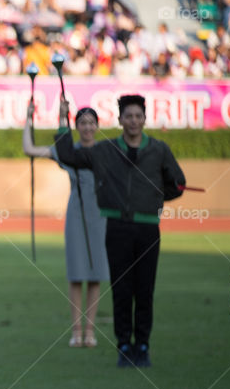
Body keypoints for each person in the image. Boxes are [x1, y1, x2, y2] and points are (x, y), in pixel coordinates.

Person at [54, 94, 185, 367]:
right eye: (129, 116)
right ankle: (124, 346)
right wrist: (63, 121)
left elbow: (177, 184)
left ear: (144, 119)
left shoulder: (159, 150)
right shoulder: (105, 151)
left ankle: (143, 346)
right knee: (121, 290)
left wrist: (153, 199)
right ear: (120, 119)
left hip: (148, 228)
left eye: (138, 116)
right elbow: (67, 155)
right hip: (116, 227)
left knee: (145, 291)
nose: (133, 121)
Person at [23, 100, 110, 348]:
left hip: (100, 214)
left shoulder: (106, 151)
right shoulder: (68, 152)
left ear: (97, 125)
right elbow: (29, 149)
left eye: (92, 122)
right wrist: (28, 119)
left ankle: (90, 331)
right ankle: (76, 331)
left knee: (96, 274)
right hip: (75, 214)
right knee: (76, 274)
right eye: (82, 122)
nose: (87, 127)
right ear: (76, 125)